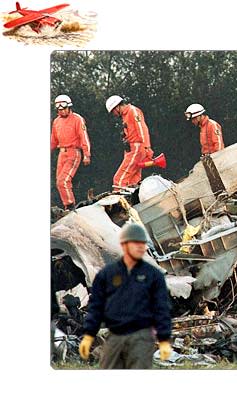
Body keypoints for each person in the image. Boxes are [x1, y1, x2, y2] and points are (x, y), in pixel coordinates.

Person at [79, 223, 172, 369]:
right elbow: (96, 307)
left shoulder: (154, 275)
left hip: (142, 338)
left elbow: (162, 309)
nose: (141, 247)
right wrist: (89, 335)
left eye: (143, 243)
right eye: (136, 243)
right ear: (124, 245)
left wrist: (164, 338)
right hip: (115, 336)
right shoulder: (107, 275)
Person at [50, 94, 91, 210]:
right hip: (61, 153)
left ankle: (70, 206)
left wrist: (86, 154)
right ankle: (67, 206)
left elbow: (84, 137)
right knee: (59, 182)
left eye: (63, 109)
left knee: (63, 180)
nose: (61, 111)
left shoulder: (77, 119)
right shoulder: (56, 121)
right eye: (59, 110)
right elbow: (53, 140)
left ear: (69, 107)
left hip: (73, 153)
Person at [106, 95, 153, 191]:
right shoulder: (125, 115)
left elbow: (142, 129)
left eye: (113, 111)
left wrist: (147, 147)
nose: (114, 114)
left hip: (136, 148)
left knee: (119, 179)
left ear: (117, 106)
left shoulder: (132, 111)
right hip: (133, 149)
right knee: (133, 180)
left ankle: (118, 203)